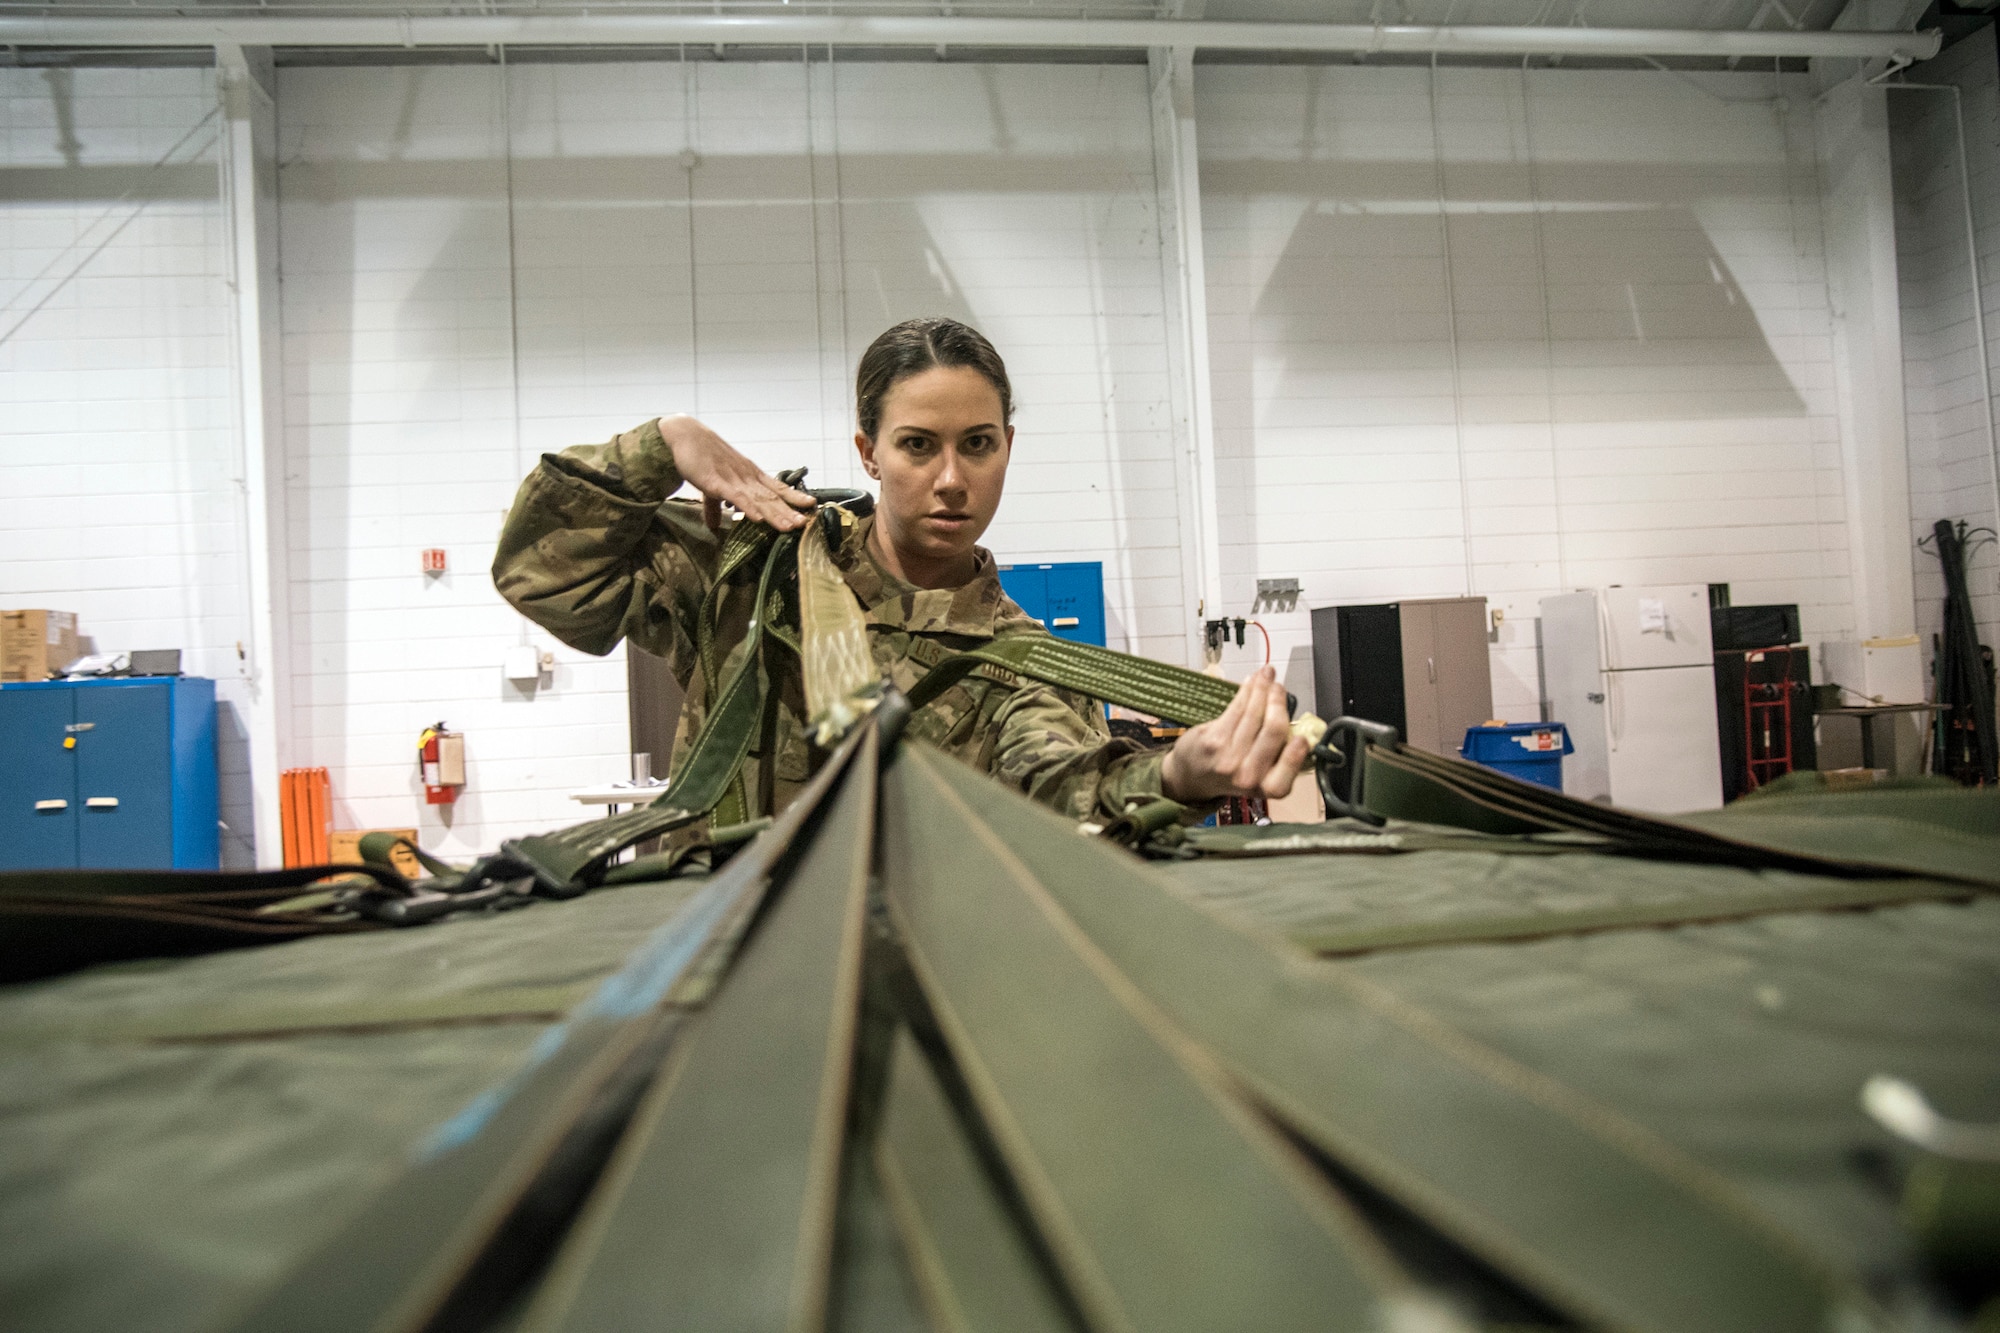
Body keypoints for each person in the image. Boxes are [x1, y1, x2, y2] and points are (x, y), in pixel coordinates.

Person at [492, 316, 1307, 824]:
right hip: (725, 963)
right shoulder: (760, 570)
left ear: (1007, 450)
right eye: (918, 444)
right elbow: (540, 572)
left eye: (977, 444)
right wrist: (661, 445)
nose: (952, 478)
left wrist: (1175, 771)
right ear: (869, 453)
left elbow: (1053, 782)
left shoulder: (1025, 660)